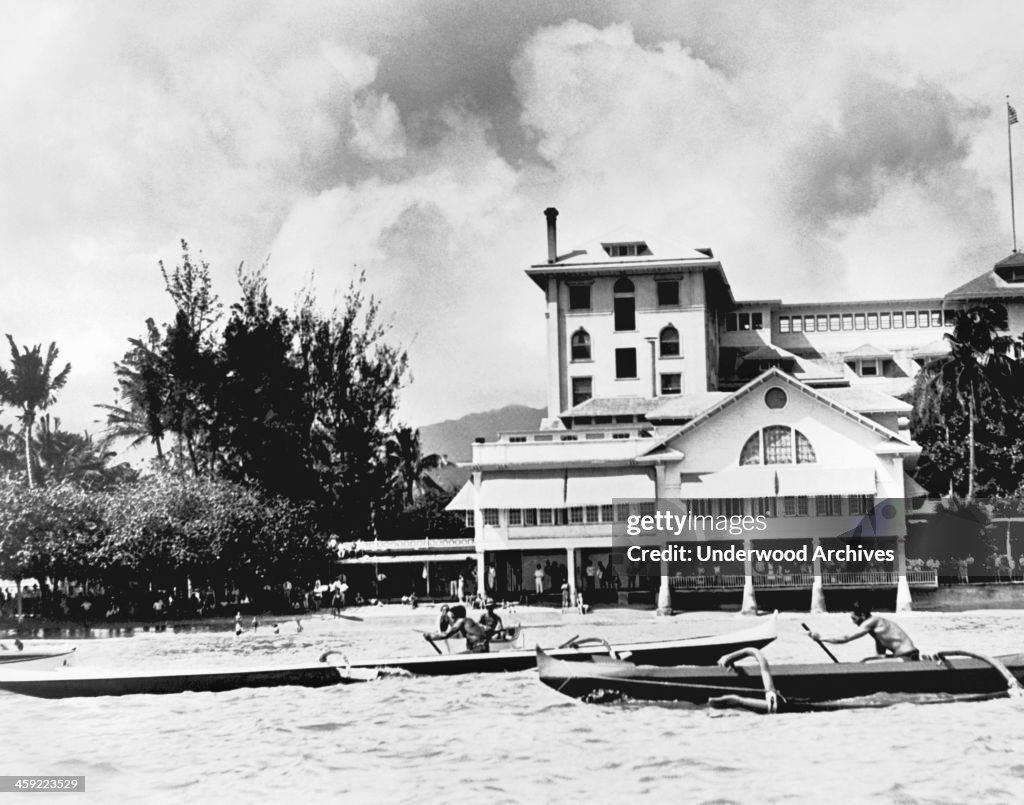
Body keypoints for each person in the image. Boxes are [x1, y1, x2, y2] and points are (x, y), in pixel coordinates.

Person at [807, 601, 919, 660]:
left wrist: (821, 637)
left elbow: (845, 638)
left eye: (854, 619)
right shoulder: (878, 628)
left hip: (906, 657)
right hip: (907, 655)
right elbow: (881, 652)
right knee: (867, 661)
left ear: (863, 615)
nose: (854, 623)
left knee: (867, 662)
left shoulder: (871, 622)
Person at [426, 604, 492, 653]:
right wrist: (434, 636)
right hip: (482, 648)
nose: (451, 620)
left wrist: (431, 638)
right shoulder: (468, 623)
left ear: (457, 616)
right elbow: (451, 635)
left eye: (452, 617)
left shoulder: (461, 621)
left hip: (479, 648)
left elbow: (447, 635)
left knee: (456, 656)